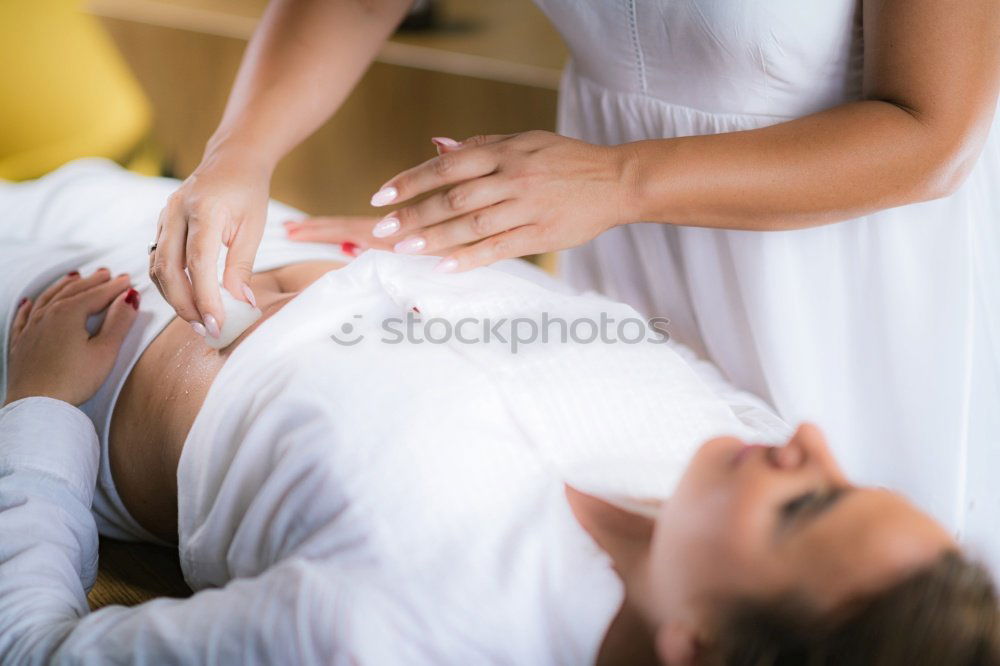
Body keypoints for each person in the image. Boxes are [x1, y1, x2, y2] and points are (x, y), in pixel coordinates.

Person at [2, 161, 999, 664]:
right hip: (161, 203)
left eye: (803, 508)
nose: (807, 441)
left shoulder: (398, 631)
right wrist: (397, 258)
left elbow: (35, 651)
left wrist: (41, 405)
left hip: (37, 339)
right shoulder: (719, 444)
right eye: (844, 479)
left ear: (696, 649)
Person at [151, 0, 1000, 571]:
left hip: (856, 266)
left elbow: (933, 129)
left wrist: (617, 183)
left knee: (846, 597)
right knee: (635, 570)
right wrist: (240, 154)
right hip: (625, 244)